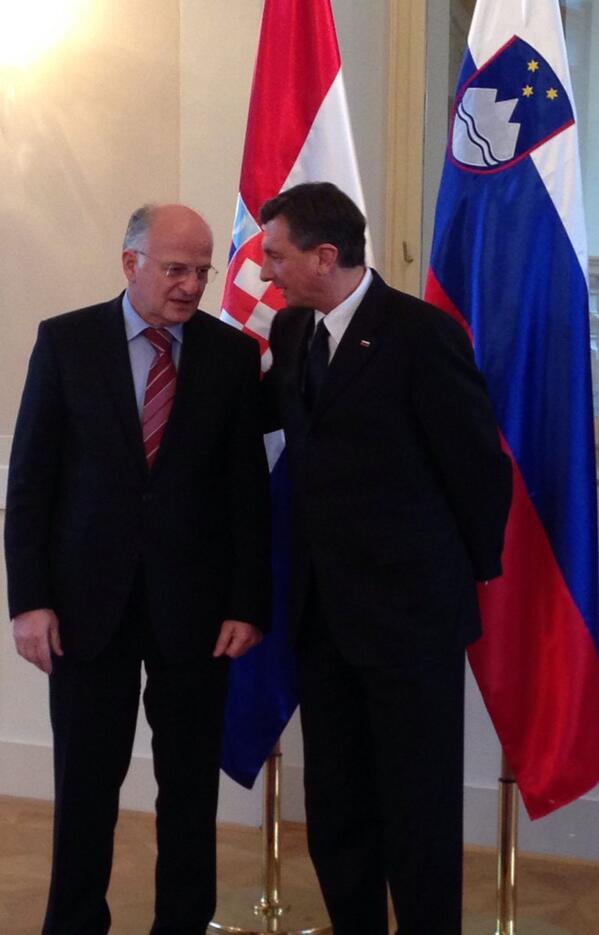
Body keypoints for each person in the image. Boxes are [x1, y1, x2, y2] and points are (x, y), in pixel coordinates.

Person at [4, 203, 271, 935]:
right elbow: (31, 482)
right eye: (175, 269)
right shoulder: (66, 342)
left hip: (198, 612)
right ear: (131, 264)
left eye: (202, 271)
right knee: (85, 788)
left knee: (189, 791)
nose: (191, 285)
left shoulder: (229, 355)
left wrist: (247, 602)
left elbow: (247, 494)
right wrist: (29, 601)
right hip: (85, 608)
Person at [259, 182, 512, 935]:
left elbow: (478, 468)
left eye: (276, 255)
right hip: (322, 617)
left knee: (417, 808)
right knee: (336, 807)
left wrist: (449, 581)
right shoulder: (292, 330)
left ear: (323, 256)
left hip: (410, 621)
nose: (265, 270)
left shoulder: (420, 334)